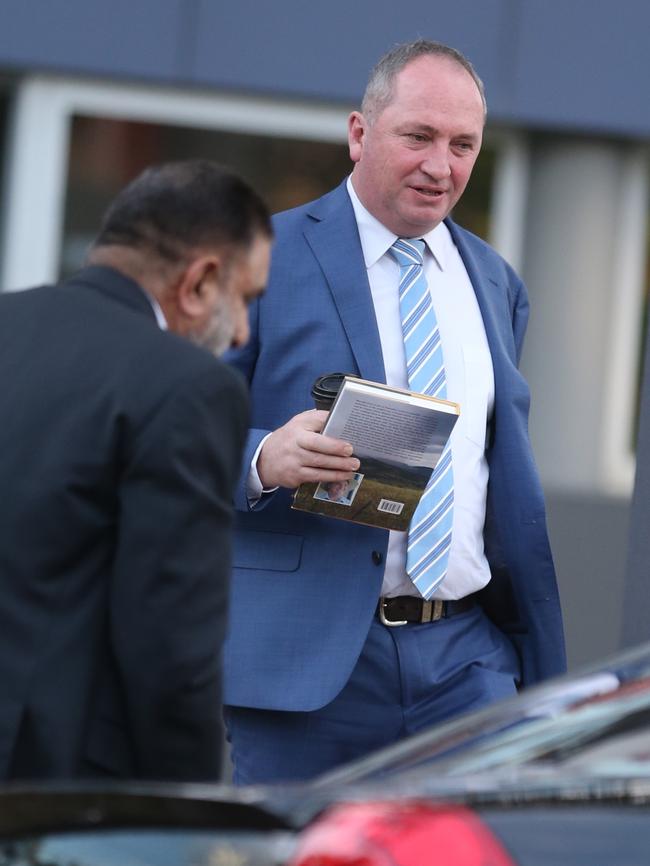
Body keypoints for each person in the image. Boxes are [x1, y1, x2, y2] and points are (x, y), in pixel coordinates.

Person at [223, 40, 565, 784]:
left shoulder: (494, 281)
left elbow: (496, 471)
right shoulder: (261, 258)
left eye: (463, 144)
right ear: (359, 133)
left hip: (466, 663)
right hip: (307, 668)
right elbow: (169, 440)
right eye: (418, 136)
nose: (441, 166)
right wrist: (259, 459)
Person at [0, 160, 272, 782]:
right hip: (54, 793)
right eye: (246, 297)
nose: (243, 331)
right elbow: (171, 649)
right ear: (200, 282)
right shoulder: (189, 388)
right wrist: (192, 825)